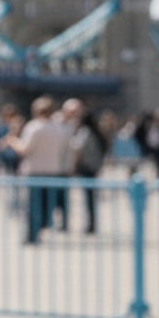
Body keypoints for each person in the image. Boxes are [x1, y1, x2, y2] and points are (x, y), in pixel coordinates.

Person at [4, 95, 71, 243]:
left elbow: (24, 149)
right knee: (46, 205)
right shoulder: (59, 128)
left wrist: (12, 141)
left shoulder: (34, 127)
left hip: (34, 172)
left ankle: (32, 235)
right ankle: (41, 229)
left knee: (32, 206)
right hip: (53, 171)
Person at [64, 98, 108, 235]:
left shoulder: (85, 131)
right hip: (93, 168)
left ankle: (91, 224)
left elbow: (77, 148)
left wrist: (72, 165)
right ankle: (91, 223)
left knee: (88, 198)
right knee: (90, 198)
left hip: (87, 168)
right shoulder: (94, 132)